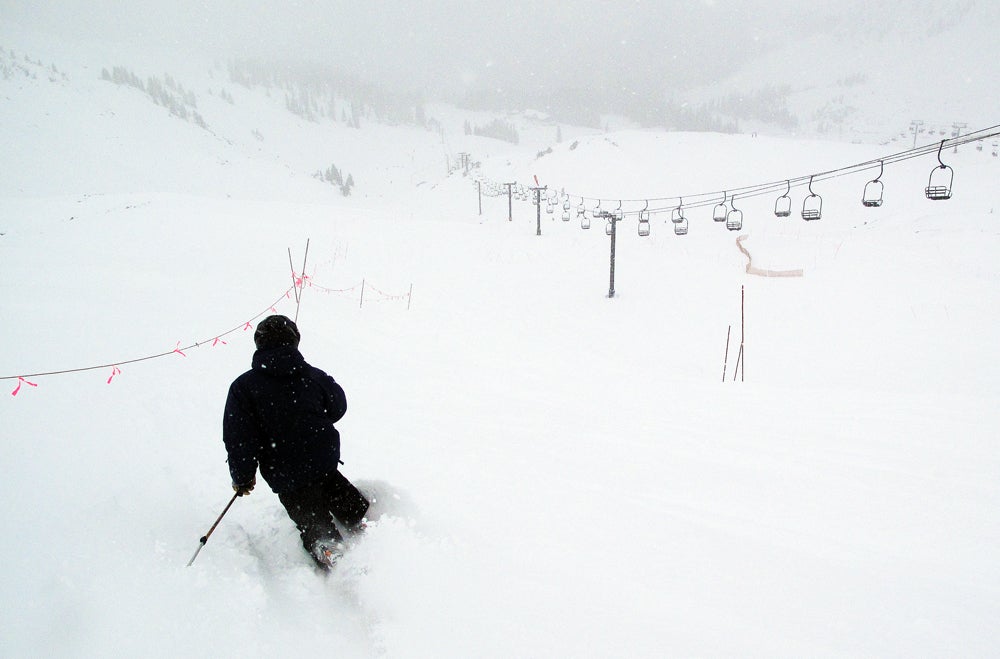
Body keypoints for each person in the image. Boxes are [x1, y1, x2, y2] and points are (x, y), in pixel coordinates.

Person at [222, 314, 369, 568]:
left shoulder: (243, 387)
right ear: (294, 341)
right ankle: (367, 526)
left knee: (313, 521)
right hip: (322, 460)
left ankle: (332, 554)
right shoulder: (312, 375)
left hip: (286, 473)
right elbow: (338, 406)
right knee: (345, 500)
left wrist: (243, 477)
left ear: (259, 343)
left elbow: (240, 440)